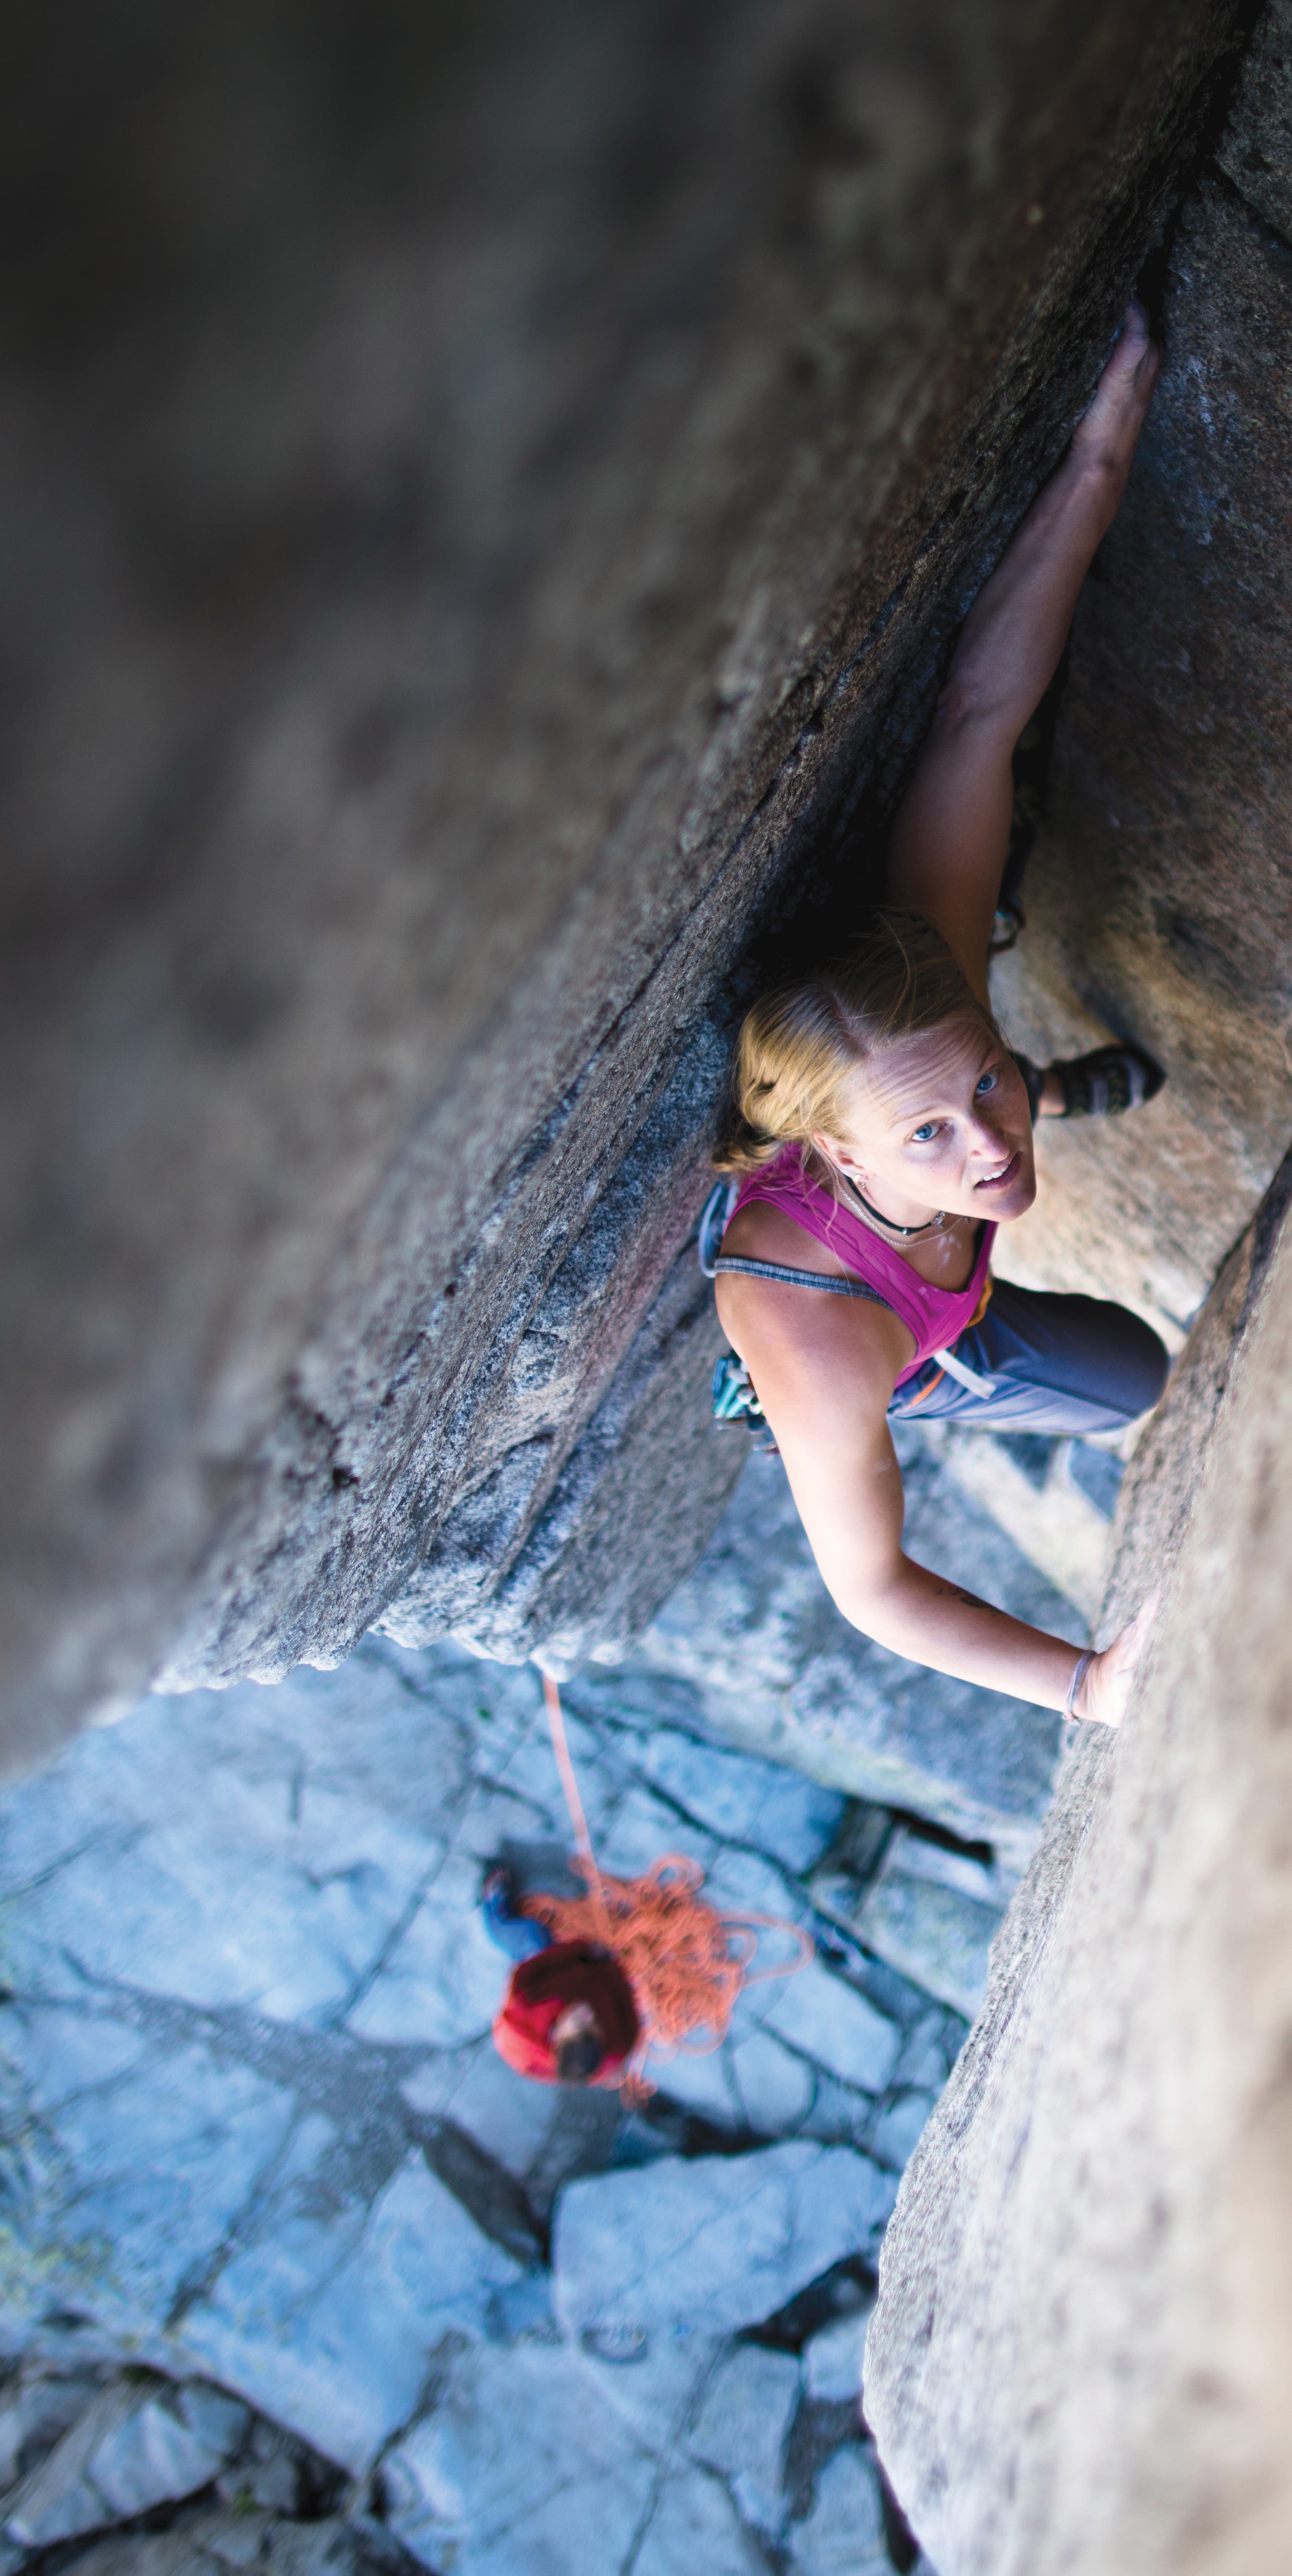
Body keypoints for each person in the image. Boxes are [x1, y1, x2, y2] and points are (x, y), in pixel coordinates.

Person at [706, 306, 1168, 1730]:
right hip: (904, 1325)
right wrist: (1081, 1683)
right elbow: (869, 1587)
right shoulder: (811, 1331)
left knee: (1128, 1356)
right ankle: (958, 1367)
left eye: (987, 1084)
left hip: (904, 1235)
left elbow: (980, 710)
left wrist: (1098, 455)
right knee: (1127, 1381)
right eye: (925, 1127)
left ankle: (1073, 1083)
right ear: (836, 1156)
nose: (985, 1145)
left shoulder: (929, 1006)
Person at [480, 1864, 640, 2087]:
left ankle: (494, 1907)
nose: (588, 2012)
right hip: (595, 1971)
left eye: (579, 2022)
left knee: (533, 1936)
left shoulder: (522, 2017)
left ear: (556, 2037)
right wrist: (611, 1966)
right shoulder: (618, 2049)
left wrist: (582, 1950)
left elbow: (532, 1968)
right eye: (595, 2024)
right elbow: (629, 2011)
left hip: (550, 1969)